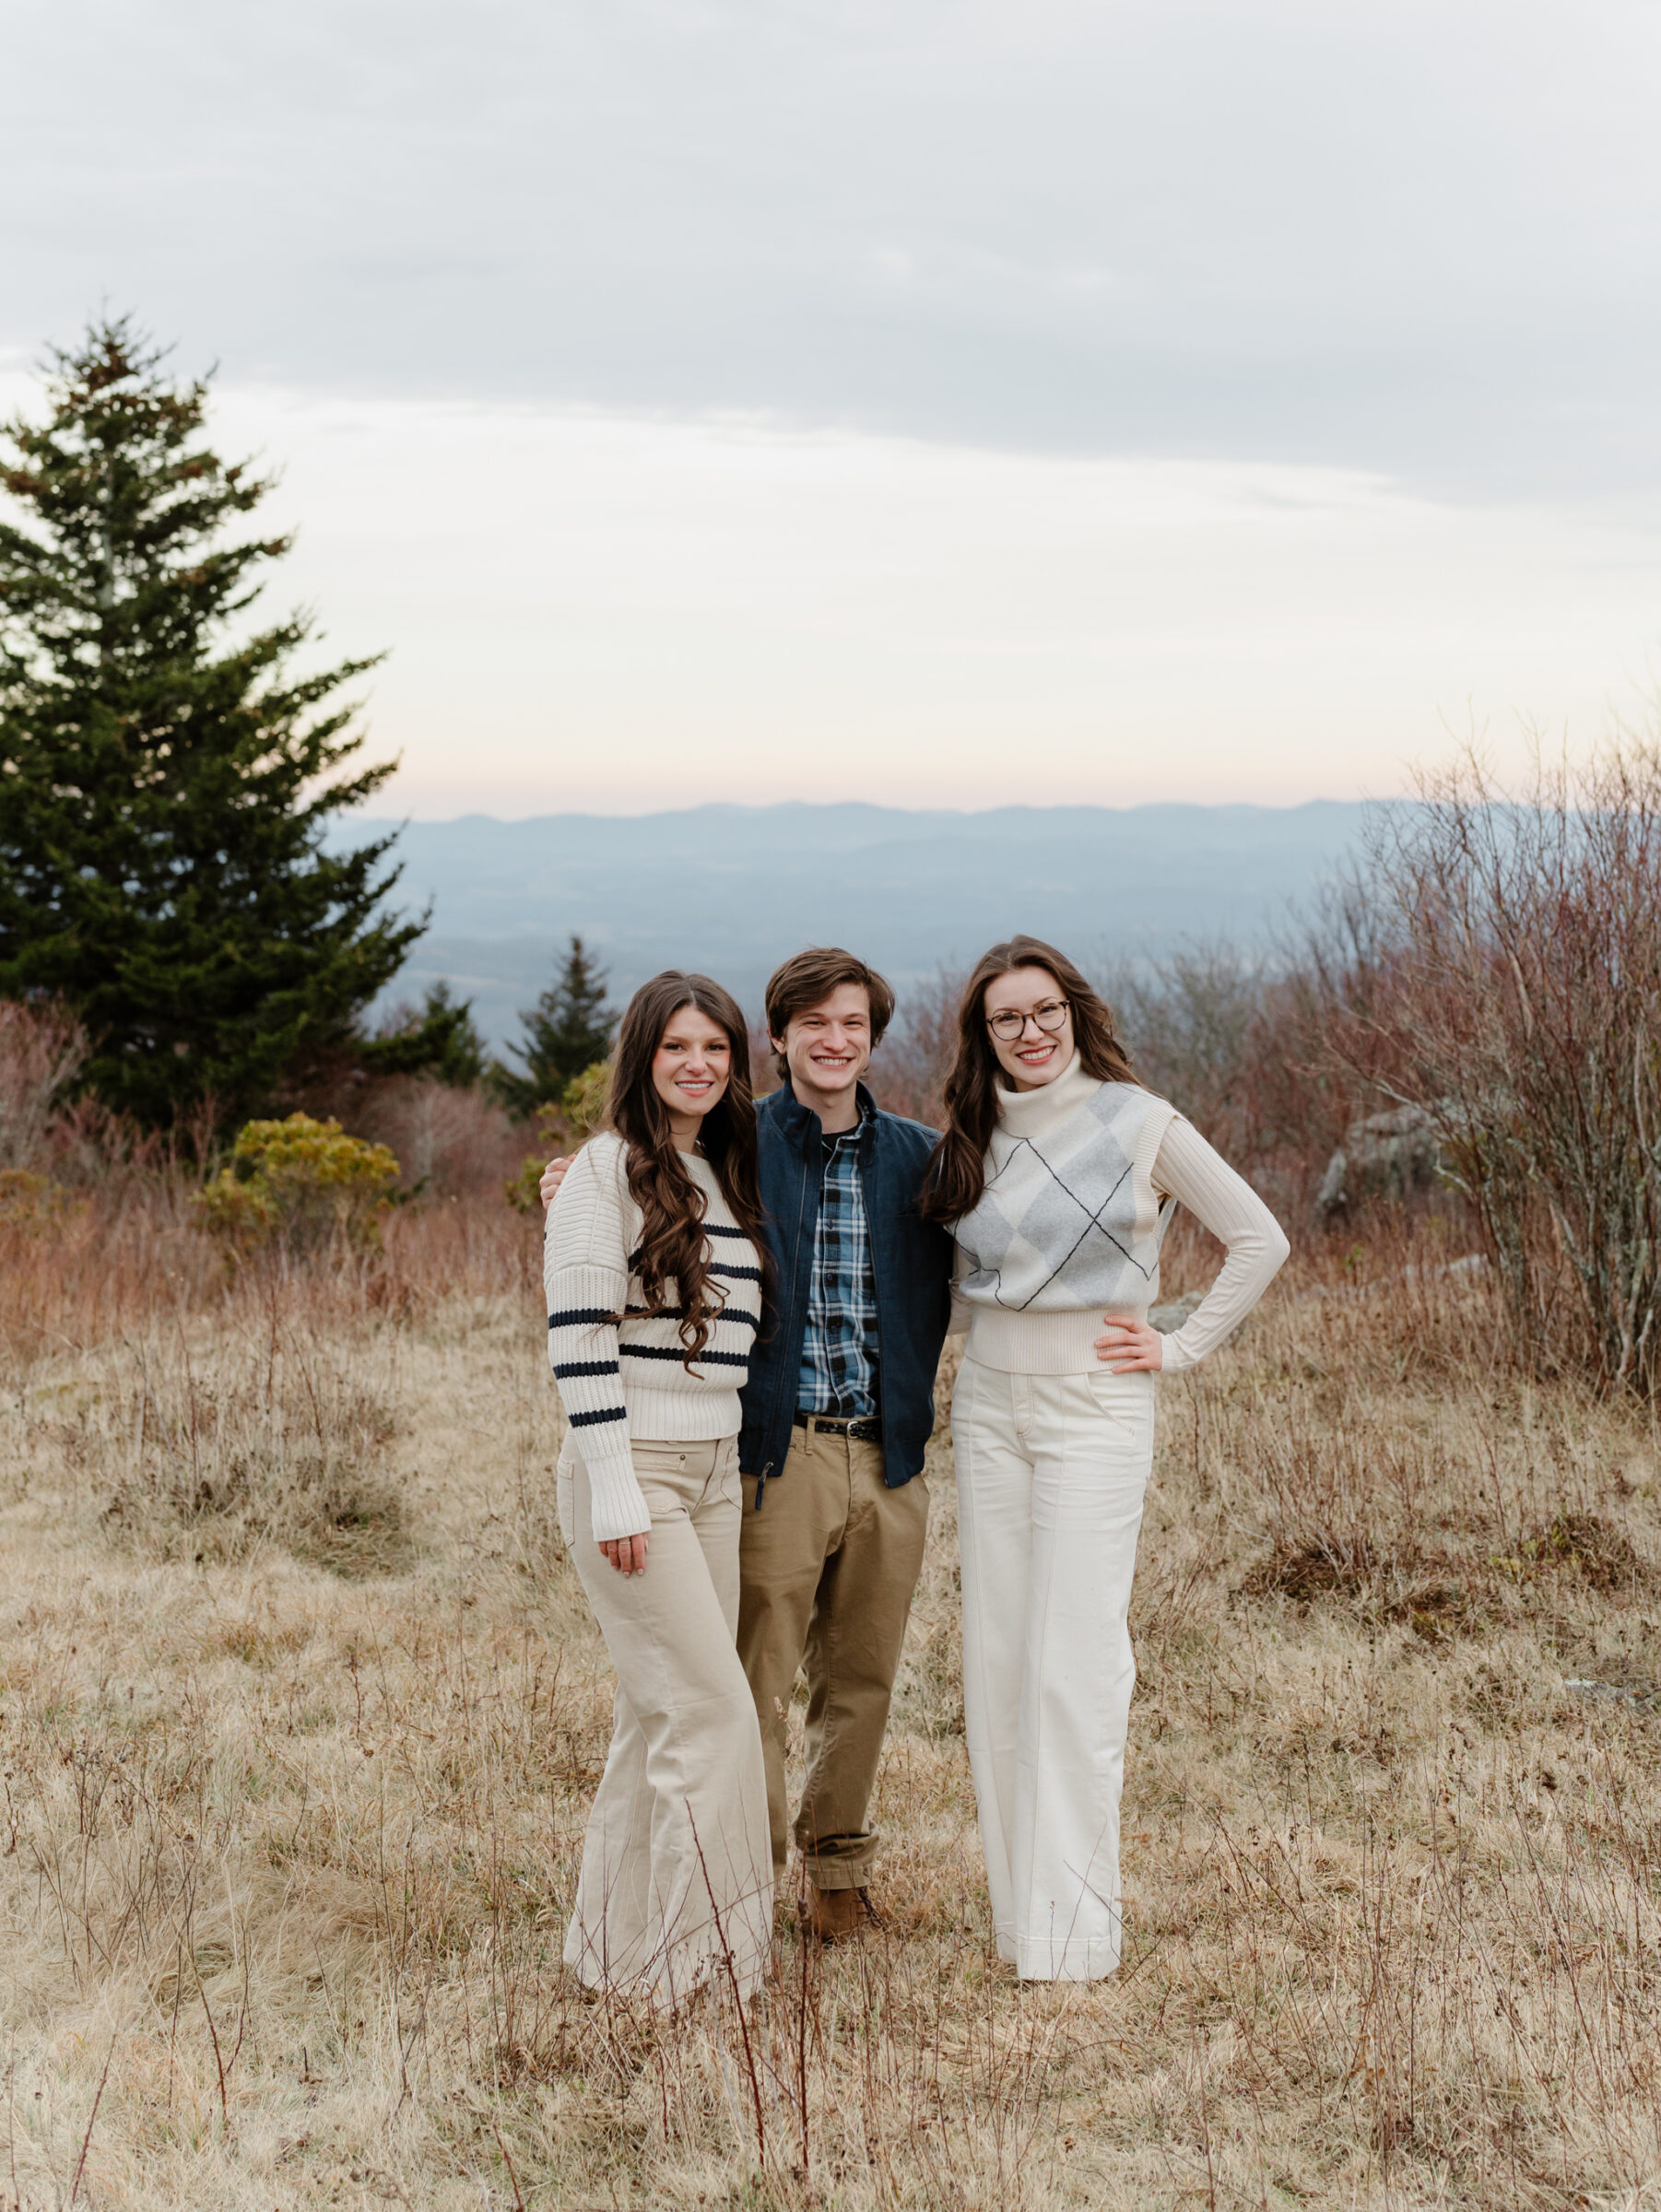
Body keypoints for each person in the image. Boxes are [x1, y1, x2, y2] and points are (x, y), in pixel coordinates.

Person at [548, 947, 955, 1942]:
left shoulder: (921, 1157)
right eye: (811, 1023)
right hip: (774, 1452)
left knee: (860, 1679)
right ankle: (738, 1898)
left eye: (851, 1024)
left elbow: (1014, 1232)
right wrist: (569, 1182)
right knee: (741, 1689)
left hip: (888, 1452)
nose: (832, 1040)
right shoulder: (742, 1146)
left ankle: (837, 1882)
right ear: (776, 1040)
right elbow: (626, 1202)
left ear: (872, 1037)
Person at [921, 935, 1290, 1983]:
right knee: (997, 1663)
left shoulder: (1138, 1122)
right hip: (990, 1409)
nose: (1029, 1033)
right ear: (981, 1035)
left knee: (1073, 1665)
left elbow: (1257, 1238)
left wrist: (1177, 1345)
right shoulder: (973, 1132)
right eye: (1006, 1019)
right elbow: (953, 1295)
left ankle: (1075, 1938)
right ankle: (1018, 1926)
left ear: (1075, 1016)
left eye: (1044, 1013)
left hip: (1094, 1411)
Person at [544, 971, 772, 2006]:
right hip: (633, 1469)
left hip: (715, 1469)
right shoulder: (603, 1170)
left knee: (658, 1713)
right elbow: (580, 1335)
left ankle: (612, 1952)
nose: (697, 1064)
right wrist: (611, 1486)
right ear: (641, 1057)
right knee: (713, 1716)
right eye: (676, 1046)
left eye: (716, 1049)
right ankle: (703, 1972)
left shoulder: (725, 1169)